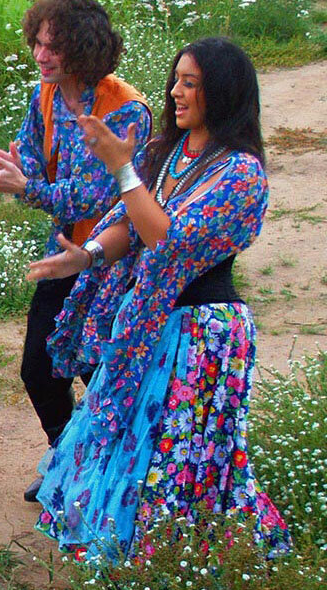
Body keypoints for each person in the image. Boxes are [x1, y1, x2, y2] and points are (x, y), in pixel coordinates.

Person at [27, 37, 290, 563]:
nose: (175, 92)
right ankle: (131, 557)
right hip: (150, 323)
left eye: (190, 83)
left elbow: (167, 240)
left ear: (223, 91)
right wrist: (87, 256)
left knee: (182, 455)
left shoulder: (242, 174)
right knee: (131, 441)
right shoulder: (168, 154)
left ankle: (185, 561)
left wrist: (123, 171)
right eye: (176, 80)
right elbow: (130, 224)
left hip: (202, 335)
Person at [0, 0, 151, 501]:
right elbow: (35, 163)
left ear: (84, 50)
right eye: (38, 43)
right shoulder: (44, 94)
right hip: (66, 253)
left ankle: (117, 476)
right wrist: (17, 172)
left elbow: (95, 196)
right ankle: (67, 459)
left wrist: (26, 186)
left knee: (100, 371)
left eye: (53, 47)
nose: (40, 55)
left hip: (115, 259)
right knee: (39, 370)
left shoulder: (123, 108)